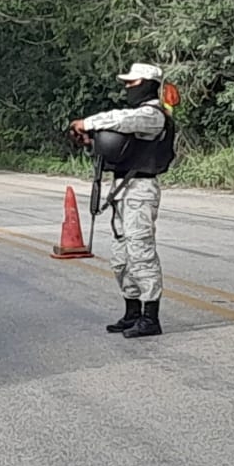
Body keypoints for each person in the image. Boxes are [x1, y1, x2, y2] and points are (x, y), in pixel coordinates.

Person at [70, 62, 176, 338]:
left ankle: (151, 316)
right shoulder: (139, 116)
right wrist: (91, 142)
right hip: (121, 190)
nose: (128, 88)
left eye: (133, 83)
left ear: (147, 84)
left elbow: (123, 120)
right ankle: (132, 311)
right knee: (121, 258)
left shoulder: (152, 116)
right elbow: (121, 145)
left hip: (140, 190)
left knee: (141, 252)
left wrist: (88, 123)